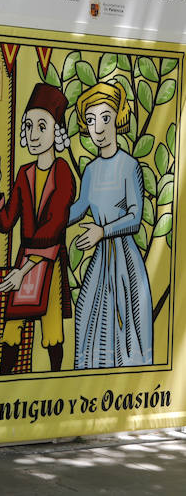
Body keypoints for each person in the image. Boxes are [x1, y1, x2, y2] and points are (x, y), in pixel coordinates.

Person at [0, 84, 76, 374]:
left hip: (49, 263)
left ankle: (56, 386)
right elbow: (6, 222)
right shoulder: (25, 174)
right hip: (24, 261)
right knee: (11, 330)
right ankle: (1, 387)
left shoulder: (63, 173)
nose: (33, 134)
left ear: (56, 131)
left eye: (41, 126)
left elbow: (54, 228)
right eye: (29, 126)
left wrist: (22, 272)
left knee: (51, 333)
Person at [68, 82, 152, 369]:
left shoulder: (130, 166)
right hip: (100, 260)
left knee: (125, 324)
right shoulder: (90, 170)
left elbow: (135, 217)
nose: (98, 128)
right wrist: (47, 214)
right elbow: (79, 208)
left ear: (118, 118)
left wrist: (102, 231)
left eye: (105, 117)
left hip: (125, 262)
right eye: (90, 121)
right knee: (86, 314)